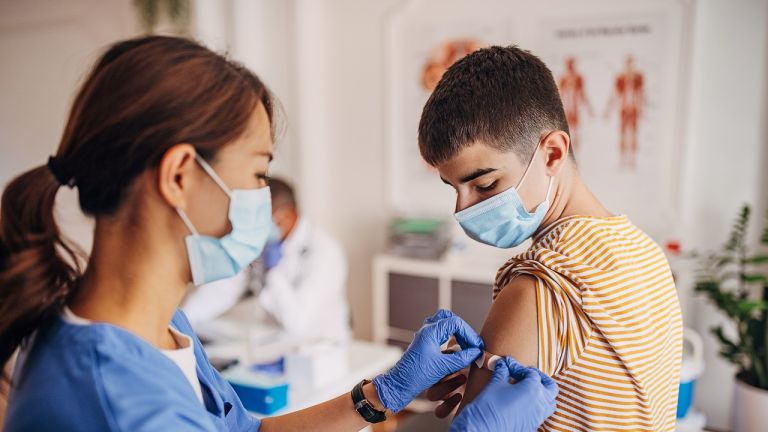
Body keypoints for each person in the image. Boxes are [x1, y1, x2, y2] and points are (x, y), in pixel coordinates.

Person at [0, 36, 557, 431]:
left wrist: (380, 395)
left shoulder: (165, 329)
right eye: (259, 173)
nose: (264, 199)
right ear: (178, 177)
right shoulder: (118, 404)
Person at [418, 46, 682, 431]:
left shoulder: (542, 284)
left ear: (552, 153)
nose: (462, 209)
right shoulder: (642, 249)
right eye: (452, 188)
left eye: (485, 184)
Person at [182, 177, 351, 342]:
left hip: (323, 350)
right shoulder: (266, 245)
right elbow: (225, 288)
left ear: (287, 213)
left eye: (263, 217)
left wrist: (274, 273)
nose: (256, 225)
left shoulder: (325, 251)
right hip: (278, 345)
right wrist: (182, 318)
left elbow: (297, 322)